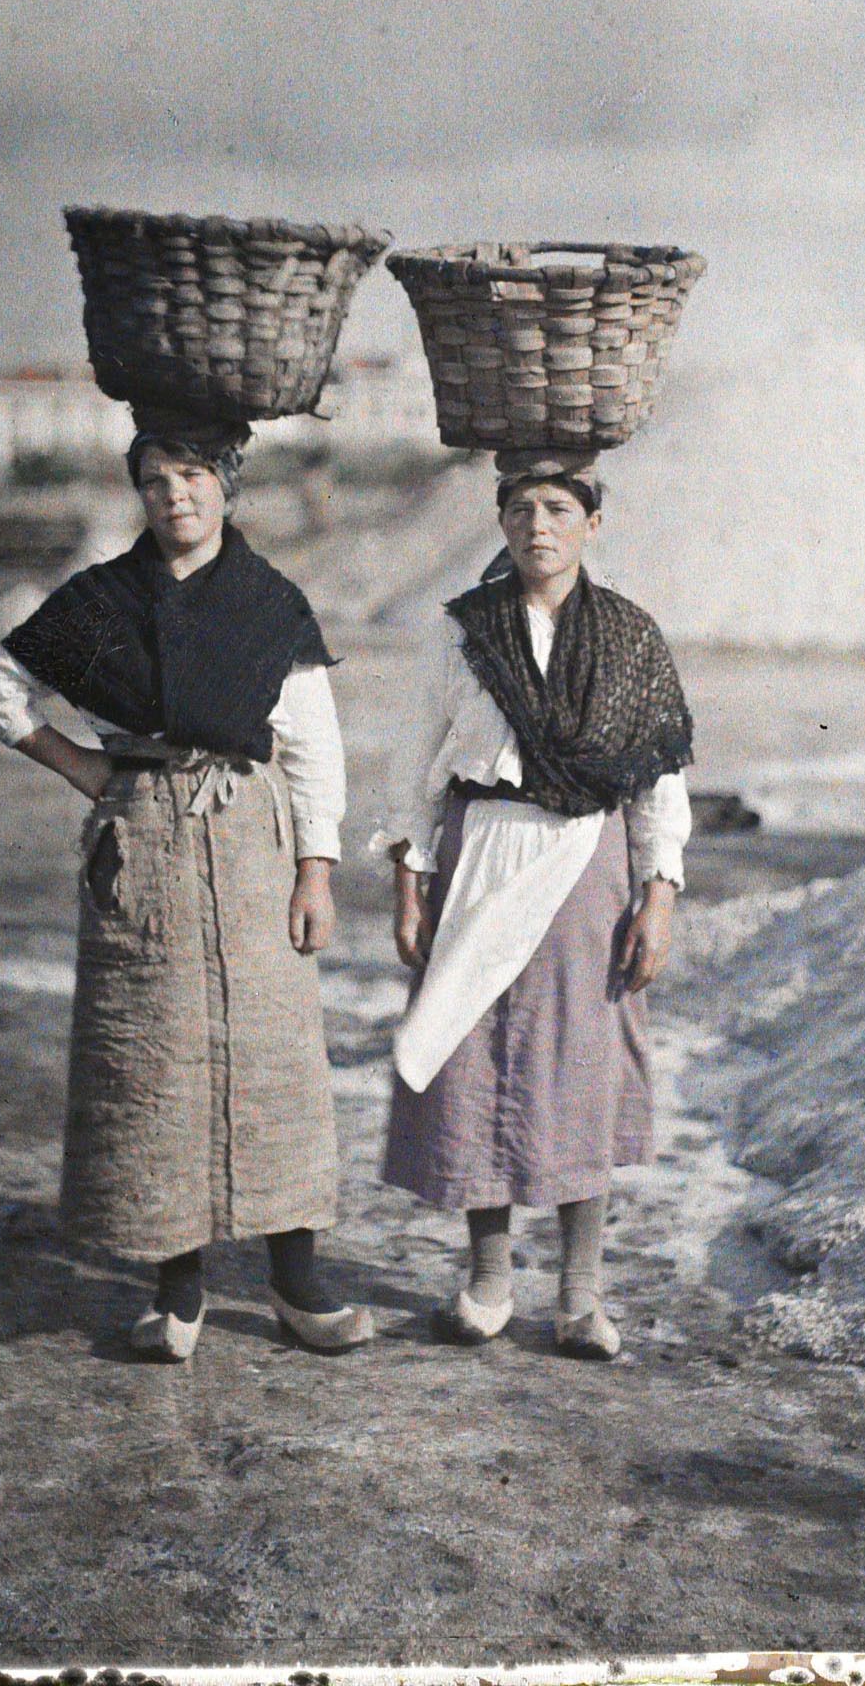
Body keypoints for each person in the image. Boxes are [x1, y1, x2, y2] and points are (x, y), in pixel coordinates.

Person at [0, 413, 372, 1363]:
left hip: (251, 838)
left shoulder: (270, 602)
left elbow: (312, 745)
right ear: (138, 494)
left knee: (271, 1054)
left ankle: (294, 1283)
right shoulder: (101, 599)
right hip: (140, 838)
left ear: (226, 485)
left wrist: (317, 869)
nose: (175, 495)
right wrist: (82, 767)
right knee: (153, 1064)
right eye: (155, 479)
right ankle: (177, 1290)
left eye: (192, 474)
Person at [374, 450, 694, 1361]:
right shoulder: (460, 629)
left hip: (584, 861)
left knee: (578, 1066)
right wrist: (411, 881)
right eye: (520, 508)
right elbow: (415, 763)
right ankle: (486, 1282)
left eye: (558, 507)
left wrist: (656, 895)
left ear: (593, 522)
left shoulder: (630, 636)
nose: (538, 527)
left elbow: (657, 783)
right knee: (472, 1058)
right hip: (481, 849)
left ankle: (581, 1294)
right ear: (500, 520)